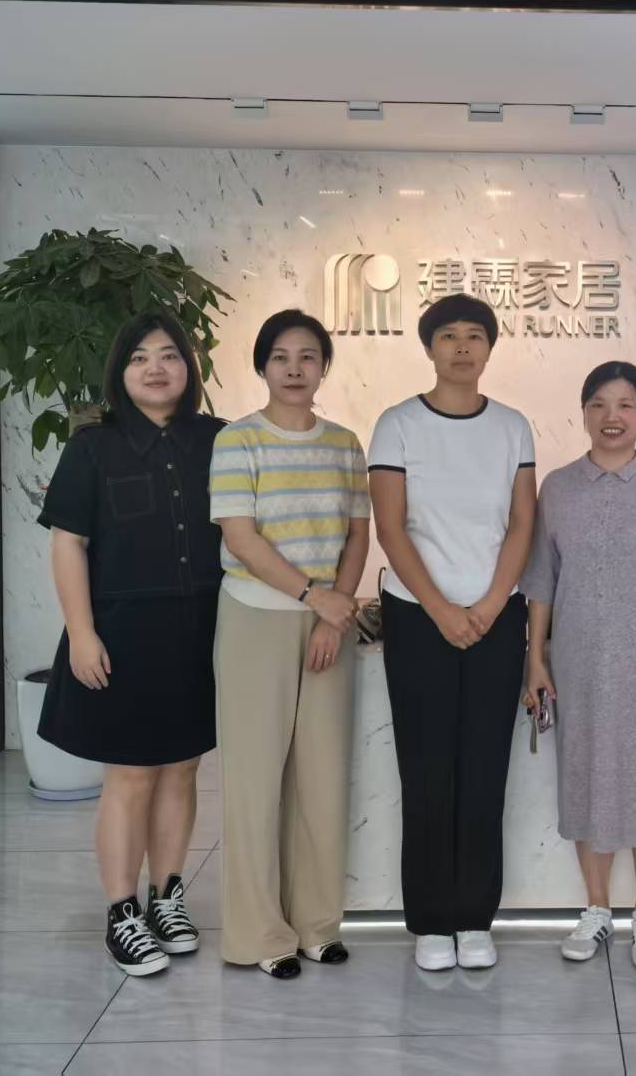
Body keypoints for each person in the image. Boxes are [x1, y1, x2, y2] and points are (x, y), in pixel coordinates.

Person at [36, 310, 224, 977]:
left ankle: (167, 896)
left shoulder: (219, 440)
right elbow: (68, 543)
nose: (155, 368)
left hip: (202, 631)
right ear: (120, 372)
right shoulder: (92, 447)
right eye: (139, 357)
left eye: (168, 355)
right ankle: (122, 910)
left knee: (182, 767)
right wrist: (82, 632)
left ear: (187, 368)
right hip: (123, 633)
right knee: (132, 773)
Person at [369, 293, 537, 972]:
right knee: (427, 769)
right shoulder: (398, 424)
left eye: (474, 336)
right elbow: (391, 527)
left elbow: (523, 523)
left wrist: (492, 603)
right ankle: (432, 920)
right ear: (429, 347)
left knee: (484, 771)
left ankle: (474, 917)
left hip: (498, 614)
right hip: (417, 615)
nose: (462, 347)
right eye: (448, 335)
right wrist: (440, 607)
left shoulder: (513, 427)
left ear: (490, 348)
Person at [522, 362, 636, 971]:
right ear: (583, 413)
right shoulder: (558, 488)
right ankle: (597, 908)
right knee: (584, 776)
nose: (612, 416)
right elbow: (542, 579)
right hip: (575, 660)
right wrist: (536, 658)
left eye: (626, 404)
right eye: (599, 403)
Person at [208, 309, 369, 980]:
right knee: (254, 783)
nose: (295, 368)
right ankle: (260, 934)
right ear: (262, 367)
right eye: (280, 356)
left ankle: (316, 926)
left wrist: (335, 614)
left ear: (324, 366)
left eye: (308, 356)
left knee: (322, 781)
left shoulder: (345, 444)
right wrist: (313, 596)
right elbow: (240, 536)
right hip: (255, 617)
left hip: (329, 624)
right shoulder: (237, 440)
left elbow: (358, 534)